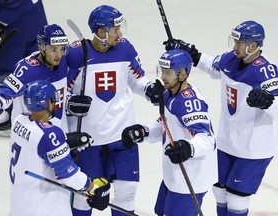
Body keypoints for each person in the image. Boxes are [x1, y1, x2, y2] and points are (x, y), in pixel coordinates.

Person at [163, 20, 278, 216]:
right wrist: (192, 54)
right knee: (220, 190)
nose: (235, 47)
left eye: (239, 43)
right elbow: (212, 66)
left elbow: (275, 101)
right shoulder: (230, 59)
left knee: (237, 198)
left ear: (253, 45)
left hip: (254, 147)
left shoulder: (265, 71)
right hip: (227, 141)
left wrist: (269, 101)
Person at [67, 5, 159, 216]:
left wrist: (149, 90)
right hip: (87, 139)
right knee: (84, 196)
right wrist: (69, 104)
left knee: (126, 192)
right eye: (115, 29)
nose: (120, 33)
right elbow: (61, 93)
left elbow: (137, 80)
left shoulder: (125, 49)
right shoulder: (74, 55)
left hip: (122, 135)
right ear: (101, 32)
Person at [121, 49, 217, 216]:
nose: (163, 77)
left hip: (189, 180)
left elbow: (207, 139)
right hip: (174, 176)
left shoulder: (189, 103)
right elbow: (165, 125)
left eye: (168, 72)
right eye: (162, 71)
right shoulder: (170, 95)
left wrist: (188, 148)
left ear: (183, 74)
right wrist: (143, 132)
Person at [9, 79, 110, 216]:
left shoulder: (18, 121)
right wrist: (92, 187)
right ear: (49, 103)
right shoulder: (49, 134)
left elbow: (37, 146)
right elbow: (67, 174)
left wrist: (65, 141)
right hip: (44, 208)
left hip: (19, 205)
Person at [0, 24, 91, 133]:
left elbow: (58, 93)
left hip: (59, 134)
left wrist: (69, 101)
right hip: (31, 136)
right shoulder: (27, 69)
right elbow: (5, 91)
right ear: (41, 48)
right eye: (53, 50)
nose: (59, 55)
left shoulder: (63, 62)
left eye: (62, 49)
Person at [0, 0, 48, 136]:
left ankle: (11, 116)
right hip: (35, 21)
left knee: (7, 70)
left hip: (16, 27)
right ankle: (37, 111)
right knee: (34, 66)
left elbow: (12, 3)